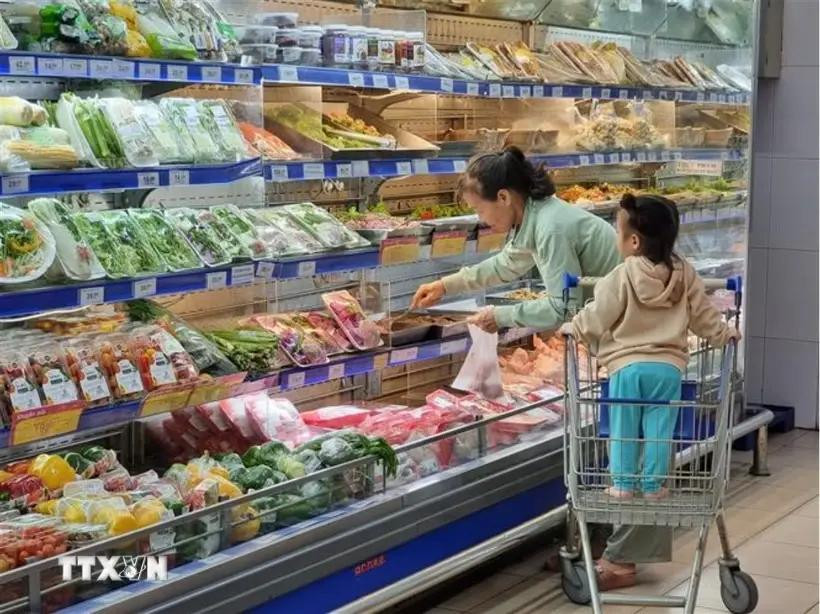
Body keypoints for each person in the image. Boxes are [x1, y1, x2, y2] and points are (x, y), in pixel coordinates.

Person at [560, 193, 740, 590]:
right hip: (669, 368)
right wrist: (724, 333)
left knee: (625, 426)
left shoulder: (620, 276)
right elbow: (704, 315)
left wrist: (575, 330)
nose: (615, 237)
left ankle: (623, 484)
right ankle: (654, 484)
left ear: (634, 241)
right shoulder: (685, 273)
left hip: (626, 366)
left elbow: (599, 314)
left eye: (618, 230)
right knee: (660, 427)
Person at [411, 146, 620, 333]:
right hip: (617, 323)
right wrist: (444, 285)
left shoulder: (550, 228)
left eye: (479, 209)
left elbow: (563, 307)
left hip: (626, 328)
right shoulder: (537, 214)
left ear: (503, 197)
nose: (481, 219)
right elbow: (505, 265)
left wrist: (500, 317)